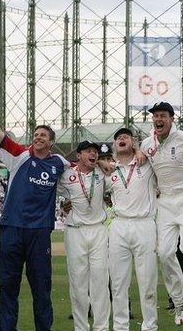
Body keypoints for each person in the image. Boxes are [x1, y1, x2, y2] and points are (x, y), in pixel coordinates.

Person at [0, 92, 70, 331]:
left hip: (39, 233)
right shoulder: (19, 155)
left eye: (43, 135)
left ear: (51, 142)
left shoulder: (59, 163)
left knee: (42, 289)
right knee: (8, 286)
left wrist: (103, 162)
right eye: (36, 134)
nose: (38, 137)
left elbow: (82, 168)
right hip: (12, 229)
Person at [139, 101, 183, 324]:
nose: (158, 119)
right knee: (165, 253)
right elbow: (138, 161)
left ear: (171, 119)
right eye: (155, 116)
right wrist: (139, 154)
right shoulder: (148, 143)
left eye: (162, 115)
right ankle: (180, 301)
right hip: (165, 201)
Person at [106, 127, 158, 331]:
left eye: (126, 137)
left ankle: (150, 326)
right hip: (118, 226)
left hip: (144, 224)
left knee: (148, 283)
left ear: (134, 143)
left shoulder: (147, 163)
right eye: (118, 137)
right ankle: (120, 327)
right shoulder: (109, 169)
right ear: (114, 145)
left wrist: (141, 152)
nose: (121, 139)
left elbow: (157, 144)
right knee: (118, 284)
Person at [57, 140, 110, 331]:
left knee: (100, 281)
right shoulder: (66, 175)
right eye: (88, 151)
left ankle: (101, 327)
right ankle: (81, 327)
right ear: (78, 155)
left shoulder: (102, 173)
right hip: (75, 231)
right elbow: (57, 194)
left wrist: (106, 163)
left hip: (98, 230)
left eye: (95, 151)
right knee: (78, 283)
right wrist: (64, 205)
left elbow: (117, 172)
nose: (93, 154)